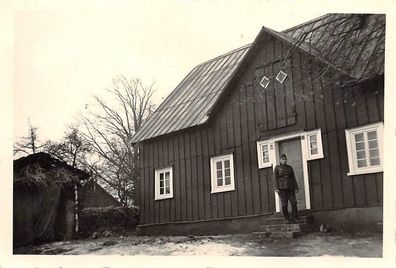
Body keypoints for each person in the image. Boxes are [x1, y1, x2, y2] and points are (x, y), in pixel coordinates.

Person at [273, 153, 300, 224]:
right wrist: (276, 188)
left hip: (290, 188)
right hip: (282, 190)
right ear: (280, 160)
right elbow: (275, 179)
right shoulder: (277, 168)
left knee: (294, 203)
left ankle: (295, 217)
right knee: (284, 204)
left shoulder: (289, 168)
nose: (284, 161)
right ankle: (287, 218)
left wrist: (296, 187)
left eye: (285, 159)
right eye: (283, 159)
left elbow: (293, 178)